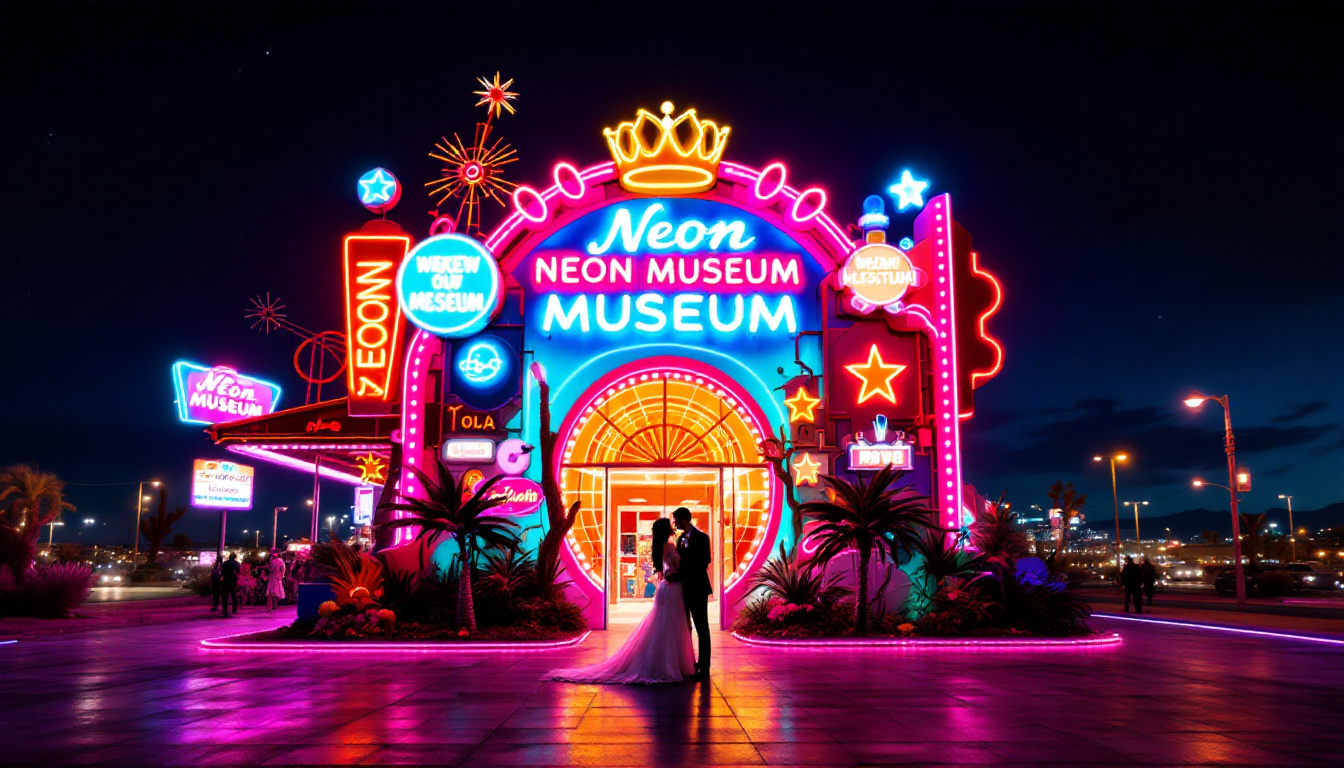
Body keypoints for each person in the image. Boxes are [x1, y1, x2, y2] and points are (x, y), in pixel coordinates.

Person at [551, 519, 695, 684]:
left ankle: (662, 662)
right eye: (669, 525)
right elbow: (681, 567)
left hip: (665, 588)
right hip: (672, 588)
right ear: (665, 530)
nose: (672, 527)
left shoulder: (658, 549)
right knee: (672, 627)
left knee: (663, 626)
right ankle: (670, 664)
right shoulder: (669, 547)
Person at [670, 506, 712, 681]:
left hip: (698, 588)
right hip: (684, 589)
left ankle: (704, 666)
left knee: (702, 627)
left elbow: (703, 562)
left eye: (676, 520)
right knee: (686, 627)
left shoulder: (702, 538)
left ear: (685, 520)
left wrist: (679, 575)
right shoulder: (680, 539)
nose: (675, 523)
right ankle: (690, 662)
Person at [220, 553, 241, 618]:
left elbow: (222, 572)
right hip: (233, 580)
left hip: (226, 580)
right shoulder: (237, 563)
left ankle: (225, 610)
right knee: (233, 596)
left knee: (225, 596)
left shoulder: (225, 563)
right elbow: (238, 572)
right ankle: (234, 609)